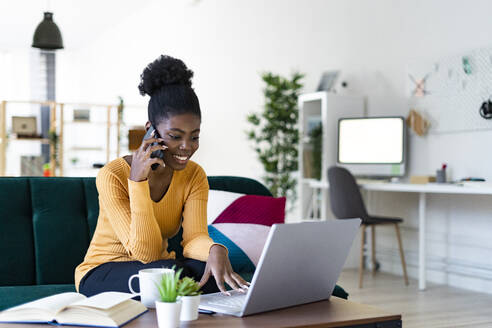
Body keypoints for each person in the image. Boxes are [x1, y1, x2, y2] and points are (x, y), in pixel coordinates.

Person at [75, 55, 248, 297]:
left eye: (194, 136)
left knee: (205, 271)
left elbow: (194, 238)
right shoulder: (112, 175)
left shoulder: (194, 176)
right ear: (151, 130)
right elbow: (144, 253)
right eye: (175, 136)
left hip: (160, 266)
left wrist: (215, 249)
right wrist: (138, 182)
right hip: (102, 271)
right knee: (171, 274)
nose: (187, 147)